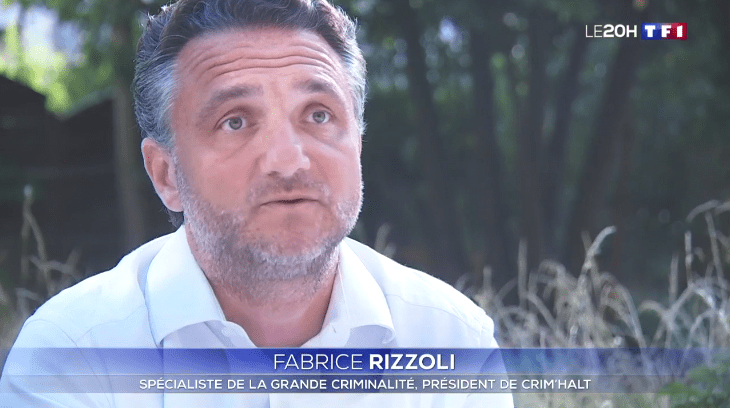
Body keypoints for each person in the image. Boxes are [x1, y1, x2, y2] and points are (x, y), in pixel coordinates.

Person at [1, 0, 514, 406]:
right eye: (236, 121)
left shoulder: (451, 338)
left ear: (357, 146)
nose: (289, 161)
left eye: (318, 115)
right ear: (166, 174)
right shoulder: (75, 355)